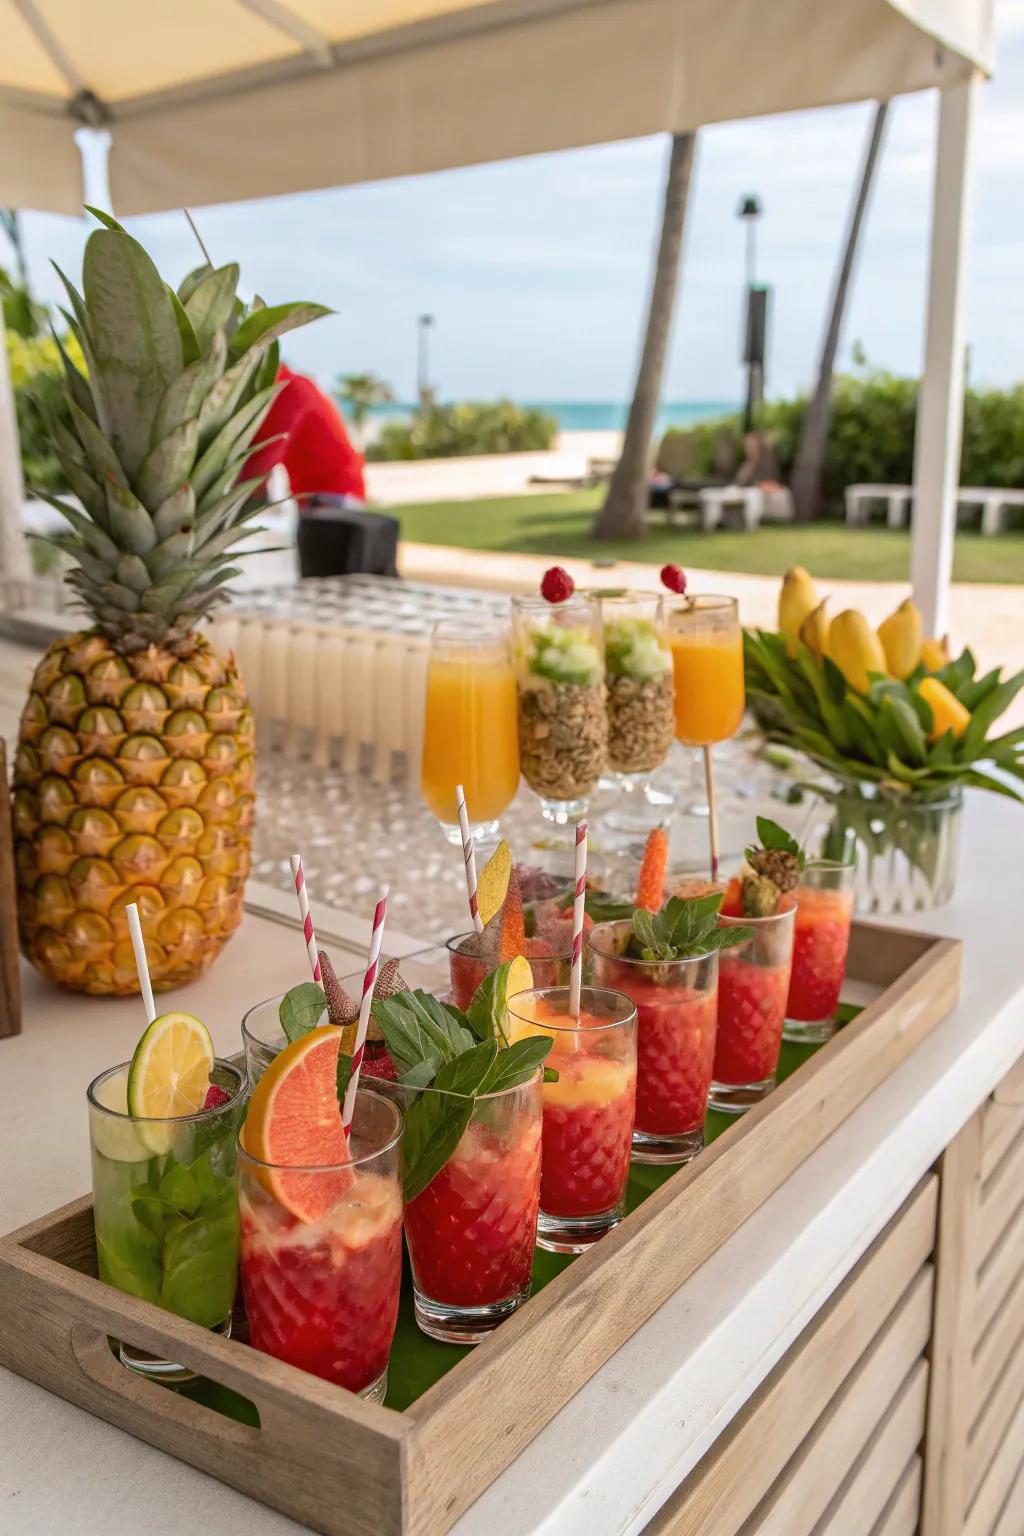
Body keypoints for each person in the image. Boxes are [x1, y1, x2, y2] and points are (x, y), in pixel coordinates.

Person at [242, 364, 366, 503]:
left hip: (333, 494)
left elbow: (262, 459)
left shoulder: (290, 390)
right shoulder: (296, 385)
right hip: (323, 493)